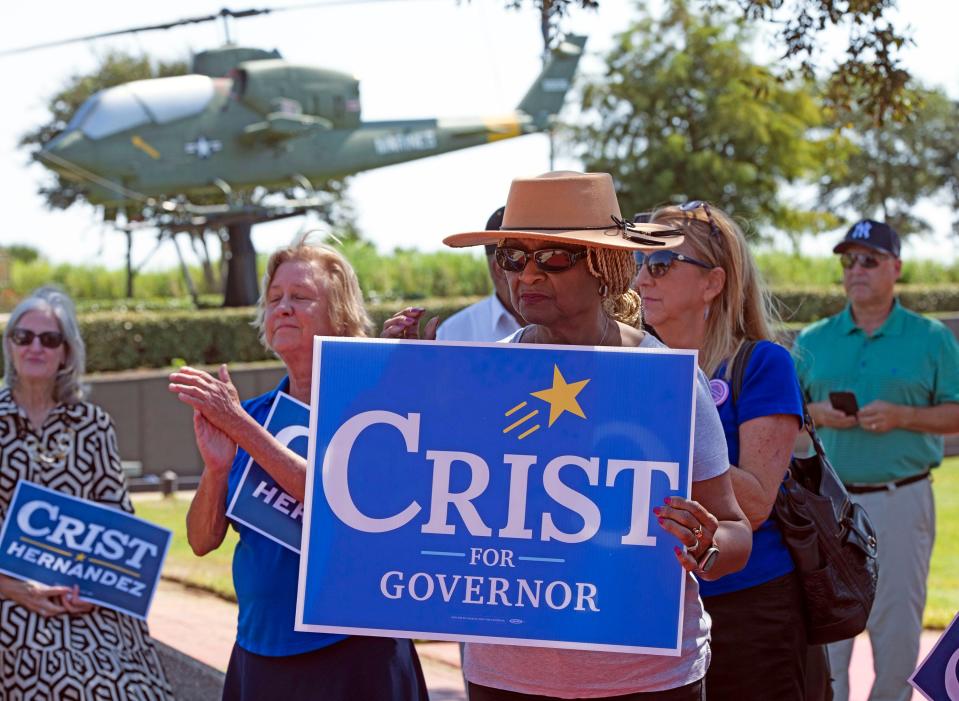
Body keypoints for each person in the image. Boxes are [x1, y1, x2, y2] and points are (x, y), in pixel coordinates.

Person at [384, 171, 753, 700]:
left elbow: (735, 530)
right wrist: (392, 387)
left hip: (649, 681)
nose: (527, 275)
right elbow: (405, 501)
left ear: (605, 267)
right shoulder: (475, 377)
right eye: (513, 256)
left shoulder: (666, 382)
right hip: (505, 679)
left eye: (553, 257)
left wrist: (708, 543)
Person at [169, 234, 429, 701]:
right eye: (274, 299)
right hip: (260, 651)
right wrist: (215, 470)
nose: (282, 308)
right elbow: (202, 540)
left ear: (341, 316)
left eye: (301, 297)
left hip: (357, 652)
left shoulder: (374, 411)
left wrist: (240, 427)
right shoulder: (253, 412)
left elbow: (334, 498)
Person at [643, 202, 826, 700]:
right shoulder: (628, 363)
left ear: (712, 283)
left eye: (659, 264)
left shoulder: (762, 363)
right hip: (653, 607)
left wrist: (671, 425)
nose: (642, 279)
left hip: (748, 608)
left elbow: (757, 504)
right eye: (639, 263)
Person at [792, 219, 959, 701]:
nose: (856, 270)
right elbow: (783, 416)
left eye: (869, 259)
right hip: (827, 508)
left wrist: (905, 415)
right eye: (848, 260)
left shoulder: (931, 338)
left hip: (901, 500)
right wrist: (817, 414)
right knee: (828, 641)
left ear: (896, 268)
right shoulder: (814, 338)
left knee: (898, 635)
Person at [0, 286, 173, 700]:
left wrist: (97, 591)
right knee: (52, 680)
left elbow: (120, 521)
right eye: (24, 337)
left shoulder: (92, 425)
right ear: (10, 347)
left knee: (134, 690)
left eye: (50, 338)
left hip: (86, 599)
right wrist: (10, 586)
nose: (35, 347)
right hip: (9, 596)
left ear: (66, 352)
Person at [436, 206, 524, 342]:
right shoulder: (452, 333)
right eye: (521, 258)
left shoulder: (453, 332)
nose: (535, 275)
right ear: (499, 268)